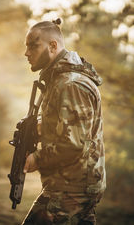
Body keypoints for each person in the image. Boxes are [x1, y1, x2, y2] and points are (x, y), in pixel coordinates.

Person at [22, 18, 106, 225]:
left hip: (72, 188)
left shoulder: (70, 84)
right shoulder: (60, 80)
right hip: (73, 183)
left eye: (33, 45)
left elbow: (74, 143)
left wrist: (36, 159)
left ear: (53, 46)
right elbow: (69, 128)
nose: (27, 53)